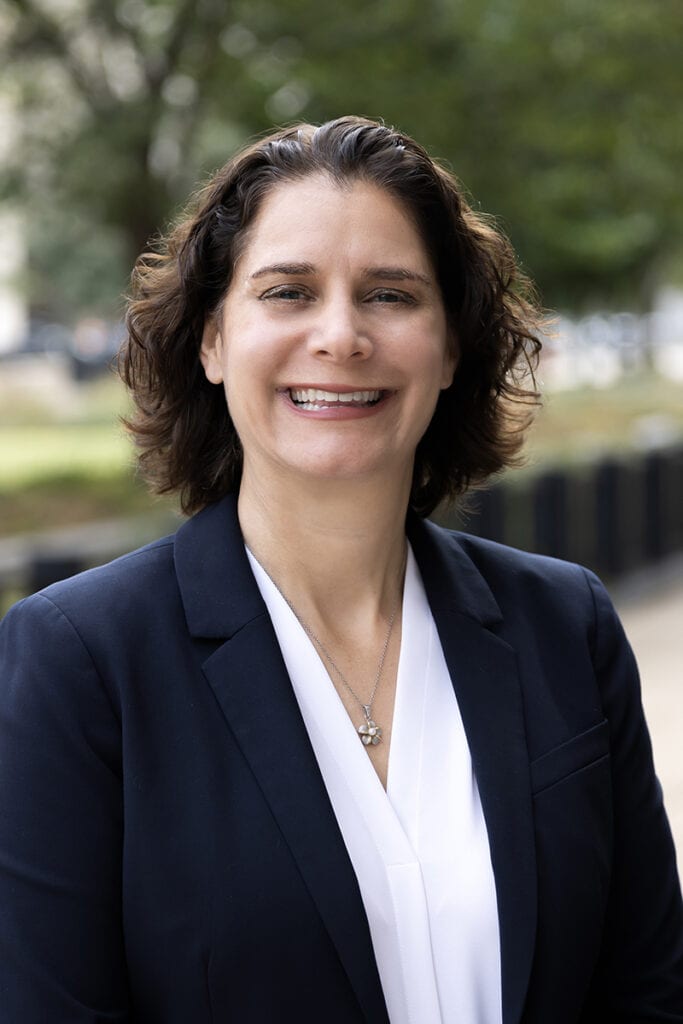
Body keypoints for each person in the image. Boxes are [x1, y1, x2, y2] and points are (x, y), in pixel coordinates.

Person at [0, 116, 681, 1024]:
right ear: (210, 340)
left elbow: (645, 990)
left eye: (391, 295)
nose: (340, 335)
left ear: (448, 348)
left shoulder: (565, 623)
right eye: (287, 291)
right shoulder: (80, 661)